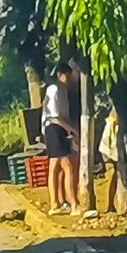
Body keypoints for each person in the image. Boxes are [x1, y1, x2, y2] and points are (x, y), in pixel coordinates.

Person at [41, 66, 81, 215]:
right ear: (60, 74)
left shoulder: (63, 90)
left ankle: (56, 204)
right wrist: (72, 130)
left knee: (55, 167)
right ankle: (74, 204)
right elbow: (56, 116)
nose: (70, 78)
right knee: (67, 167)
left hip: (59, 128)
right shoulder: (54, 90)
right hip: (54, 128)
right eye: (68, 75)